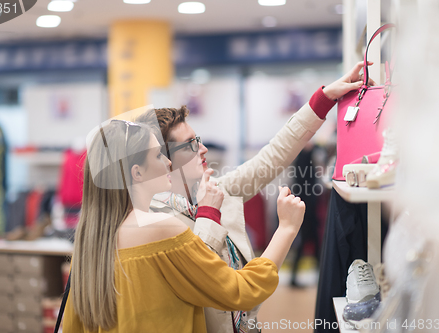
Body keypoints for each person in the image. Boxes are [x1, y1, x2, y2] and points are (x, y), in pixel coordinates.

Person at [137, 61, 374, 332]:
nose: (203, 148)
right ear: (163, 161)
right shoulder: (157, 223)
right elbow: (211, 283)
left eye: (198, 138)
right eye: (191, 144)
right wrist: (213, 214)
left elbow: (269, 159)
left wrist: (323, 100)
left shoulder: (212, 192)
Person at [62, 119, 306, 332]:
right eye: (158, 155)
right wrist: (286, 228)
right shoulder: (161, 230)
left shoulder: (89, 245)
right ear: (137, 173)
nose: (168, 163)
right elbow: (240, 290)